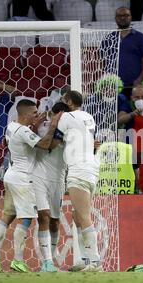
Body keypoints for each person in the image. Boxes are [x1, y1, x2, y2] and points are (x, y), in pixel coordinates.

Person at [0, 99, 62, 273]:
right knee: (26, 218)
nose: (37, 115)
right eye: (34, 113)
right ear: (25, 114)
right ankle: (18, 260)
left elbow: (23, 139)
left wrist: (33, 126)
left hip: (10, 176)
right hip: (23, 179)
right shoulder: (22, 132)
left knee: (7, 216)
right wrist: (54, 126)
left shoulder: (12, 127)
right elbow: (44, 145)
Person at [48, 90, 101, 272]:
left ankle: (94, 262)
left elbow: (53, 143)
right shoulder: (88, 116)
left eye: (64, 100)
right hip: (92, 167)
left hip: (78, 169)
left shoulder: (66, 117)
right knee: (77, 216)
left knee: (84, 216)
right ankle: (84, 259)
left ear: (69, 102)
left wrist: (53, 125)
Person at [33, 101, 70, 272]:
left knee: (55, 220)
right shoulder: (44, 126)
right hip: (39, 175)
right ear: (52, 114)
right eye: (59, 116)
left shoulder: (71, 129)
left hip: (59, 178)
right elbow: (46, 146)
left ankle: (52, 258)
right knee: (44, 216)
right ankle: (46, 261)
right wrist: (52, 125)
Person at [103, 7, 143, 98]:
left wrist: (139, 80)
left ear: (131, 17)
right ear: (115, 18)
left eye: (126, 15)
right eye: (119, 16)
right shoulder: (108, 39)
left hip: (134, 86)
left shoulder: (140, 37)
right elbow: (101, 62)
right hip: (113, 87)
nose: (123, 18)